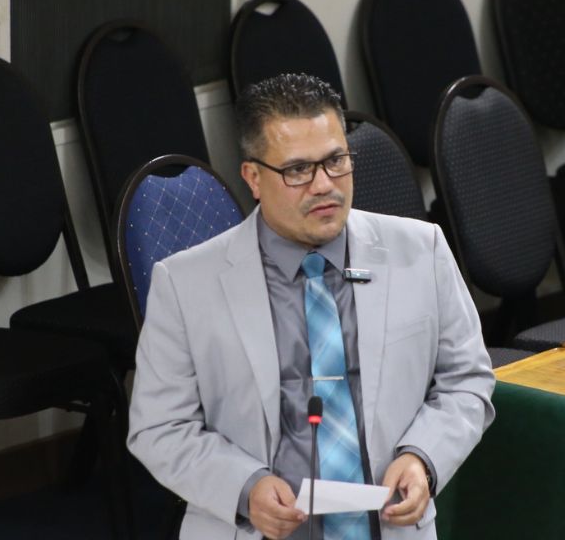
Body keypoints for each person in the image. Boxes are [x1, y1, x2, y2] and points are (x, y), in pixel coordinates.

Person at [127, 73, 496, 540]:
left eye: (336, 161)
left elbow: (466, 381)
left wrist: (422, 457)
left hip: (389, 526)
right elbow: (159, 427)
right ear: (253, 178)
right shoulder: (185, 284)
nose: (325, 185)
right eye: (298, 170)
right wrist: (244, 487)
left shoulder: (421, 251)